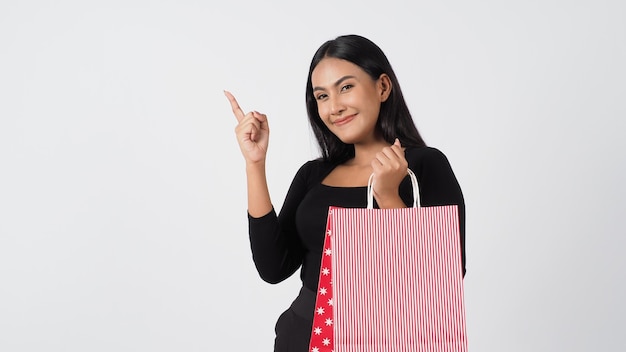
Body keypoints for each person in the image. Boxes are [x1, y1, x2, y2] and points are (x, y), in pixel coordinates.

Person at [225, 34, 465, 352]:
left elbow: (444, 277)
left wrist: (389, 195)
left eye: (346, 87)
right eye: (322, 96)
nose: (335, 107)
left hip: (386, 338)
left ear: (382, 87)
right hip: (306, 336)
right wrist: (255, 163)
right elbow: (273, 267)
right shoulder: (314, 174)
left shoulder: (423, 166)